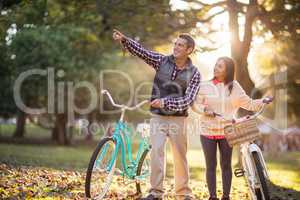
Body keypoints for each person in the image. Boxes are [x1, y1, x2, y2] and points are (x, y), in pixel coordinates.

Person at [113, 29, 201, 200]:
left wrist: (165, 102)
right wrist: (126, 40)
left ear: (189, 50)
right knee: (156, 153)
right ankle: (155, 193)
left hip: (179, 120)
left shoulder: (195, 73)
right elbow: (143, 53)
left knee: (180, 157)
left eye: (180, 45)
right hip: (158, 117)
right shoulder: (162, 61)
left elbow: (188, 100)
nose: (175, 47)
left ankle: (183, 193)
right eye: (175, 44)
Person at [191, 57, 272, 200]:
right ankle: (212, 196)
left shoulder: (234, 87)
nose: (216, 68)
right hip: (207, 131)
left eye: (220, 66)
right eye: (216, 65)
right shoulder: (205, 86)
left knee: (226, 164)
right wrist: (204, 109)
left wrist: (262, 101)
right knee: (210, 165)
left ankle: (226, 196)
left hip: (227, 131)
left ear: (227, 70)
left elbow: (249, 103)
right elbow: (195, 104)